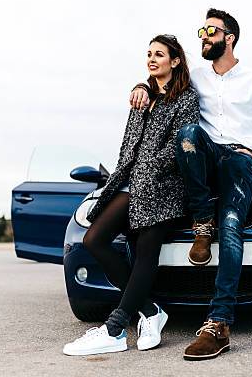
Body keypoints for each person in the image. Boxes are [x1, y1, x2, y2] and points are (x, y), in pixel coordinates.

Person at [130, 9, 252, 360]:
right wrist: (141, 85)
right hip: (203, 158)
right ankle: (202, 220)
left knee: (232, 226)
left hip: (239, 160)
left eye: (210, 31)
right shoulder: (196, 77)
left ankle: (219, 323)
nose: (203, 36)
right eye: (201, 31)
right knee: (188, 133)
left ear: (229, 37)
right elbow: (162, 82)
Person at [63, 34, 200, 356]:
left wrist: (149, 171)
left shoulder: (187, 98)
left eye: (160, 54)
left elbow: (181, 144)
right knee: (94, 239)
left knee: (145, 251)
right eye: (149, 54)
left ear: (175, 61)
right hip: (128, 182)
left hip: (163, 186)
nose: (152, 59)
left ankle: (115, 328)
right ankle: (151, 311)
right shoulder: (142, 96)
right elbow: (129, 144)